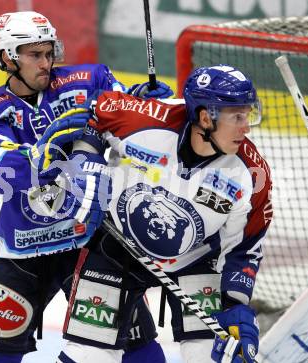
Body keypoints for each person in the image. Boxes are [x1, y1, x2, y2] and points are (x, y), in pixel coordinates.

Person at [0, 11, 172, 363]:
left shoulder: (90, 80)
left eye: (49, 52)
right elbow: (7, 174)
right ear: (6, 58)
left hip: (93, 239)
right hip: (26, 245)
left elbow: (128, 121)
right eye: (34, 55)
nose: (46, 63)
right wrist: (50, 146)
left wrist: (147, 105)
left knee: (135, 342)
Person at [60, 65, 273, 363]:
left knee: (211, 357)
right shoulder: (146, 119)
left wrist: (234, 303)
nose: (246, 127)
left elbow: (244, 248)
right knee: (86, 357)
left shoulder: (251, 173)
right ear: (204, 117)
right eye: (237, 116)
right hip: (117, 247)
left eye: (248, 115)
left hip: (195, 261)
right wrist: (85, 157)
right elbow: (95, 110)